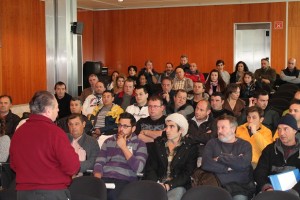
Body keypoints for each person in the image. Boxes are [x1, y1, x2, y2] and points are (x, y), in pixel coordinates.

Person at [10, 91, 80, 200]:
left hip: (23, 193)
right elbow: (72, 167)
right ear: (48, 111)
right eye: (56, 107)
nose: (58, 110)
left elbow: (13, 165)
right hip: (51, 192)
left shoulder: (19, 133)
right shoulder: (56, 133)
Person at [93, 112, 148, 200]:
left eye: (125, 126)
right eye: (120, 125)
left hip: (125, 180)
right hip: (104, 177)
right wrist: (97, 180)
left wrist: (123, 147)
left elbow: (138, 168)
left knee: (112, 197)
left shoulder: (140, 144)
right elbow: (99, 162)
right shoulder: (109, 141)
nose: (121, 129)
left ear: (133, 128)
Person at [144, 113, 198, 200]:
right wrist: (157, 183)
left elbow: (187, 173)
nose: (167, 130)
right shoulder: (158, 144)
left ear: (181, 130)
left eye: (172, 126)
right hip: (157, 182)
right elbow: (150, 167)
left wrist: (168, 185)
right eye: (167, 126)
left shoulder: (190, 147)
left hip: (177, 185)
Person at [202, 115, 255, 200]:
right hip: (216, 186)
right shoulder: (212, 143)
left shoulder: (245, 145)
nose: (219, 131)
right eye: (218, 127)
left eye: (223, 127)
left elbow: (243, 164)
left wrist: (220, 158)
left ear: (233, 129)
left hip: (239, 188)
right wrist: (228, 167)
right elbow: (206, 163)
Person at [254, 114, 300, 195]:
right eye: (279, 129)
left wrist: (294, 191)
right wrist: (267, 187)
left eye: (286, 129)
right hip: (271, 191)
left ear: (295, 130)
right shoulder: (270, 149)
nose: (281, 133)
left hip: (294, 193)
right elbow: (260, 172)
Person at [187, 100, 217, 166]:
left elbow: (211, 139)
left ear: (208, 112)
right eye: (197, 108)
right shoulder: (187, 120)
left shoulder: (213, 122)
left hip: (204, 155)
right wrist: (204, 135)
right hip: (187, 153)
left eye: (201, 110)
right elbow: (185, 139)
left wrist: (191, 136)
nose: (197, 112)